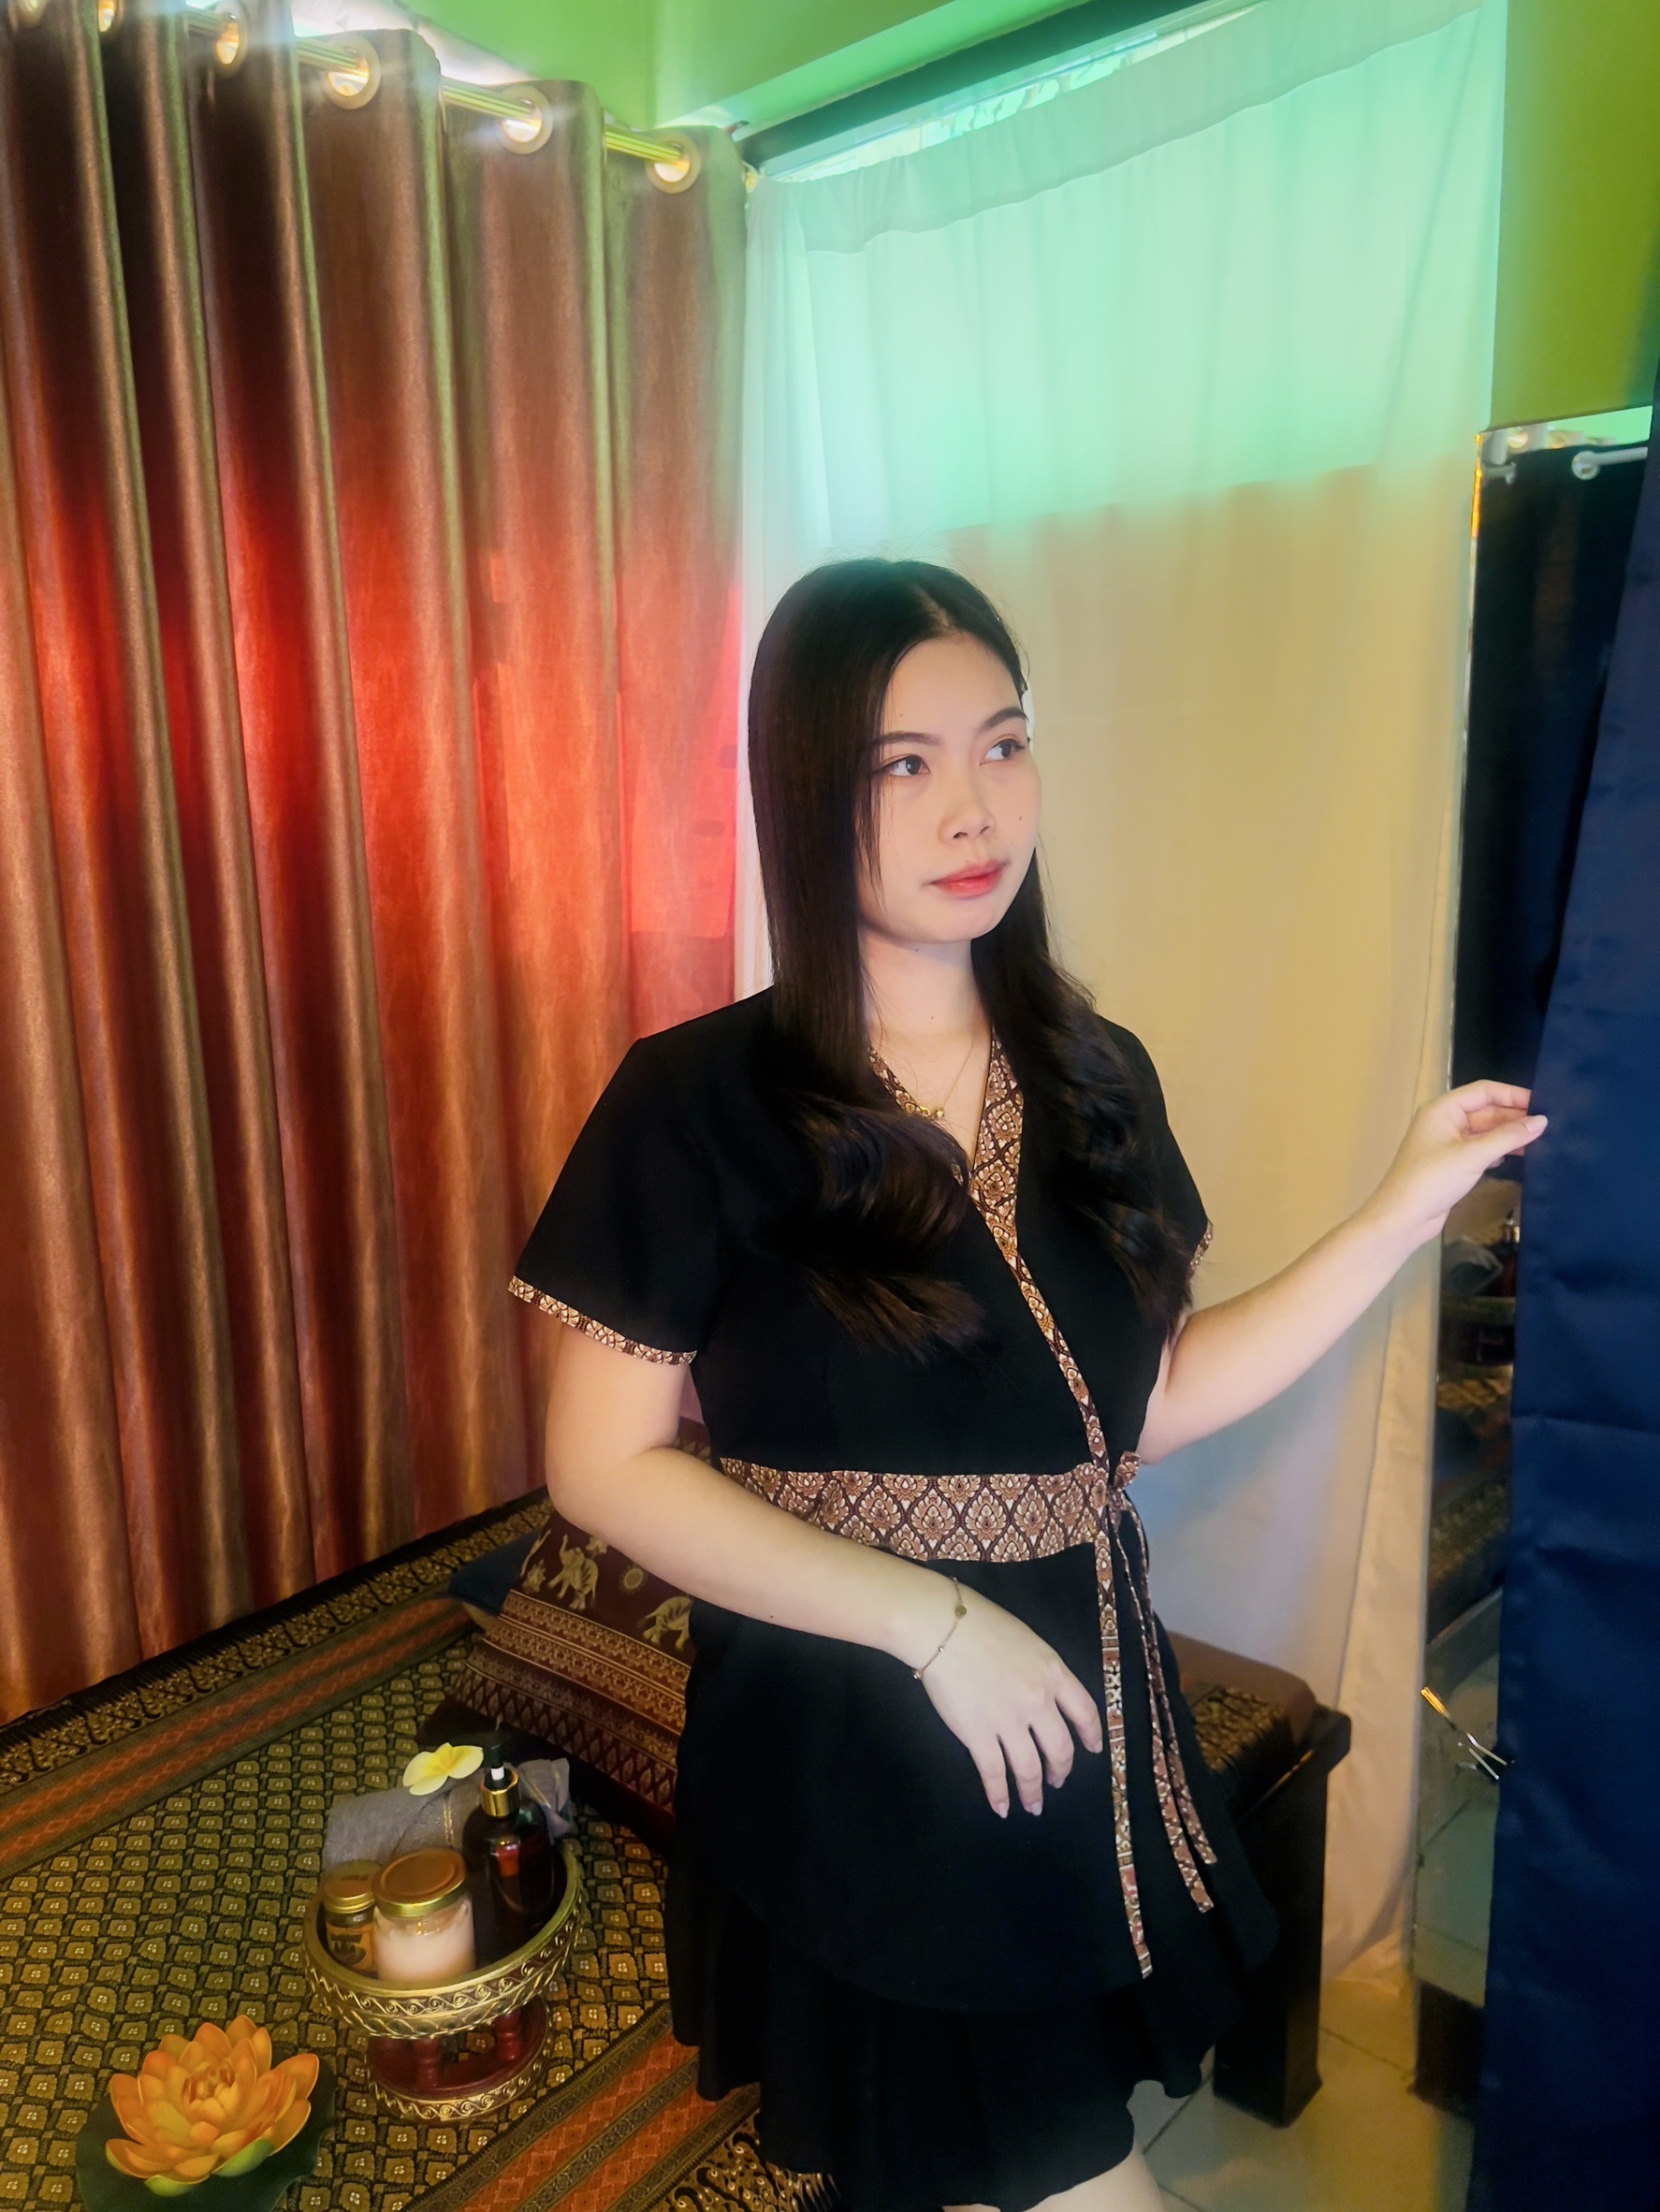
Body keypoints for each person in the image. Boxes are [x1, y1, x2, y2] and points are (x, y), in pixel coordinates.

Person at [515, 560, 1544, 2212]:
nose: (971, 807)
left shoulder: (1090, 1071)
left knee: (984, 2166)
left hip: (1078, 1707)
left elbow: (1138, 1409)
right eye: (901, 765)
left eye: (1002, 744)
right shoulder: (696, 1102)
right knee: (1050, 2171)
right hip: (854, 1733)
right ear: (806, 791)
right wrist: (932, 1625)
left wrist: (1399, 1211)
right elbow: (602, 1465)